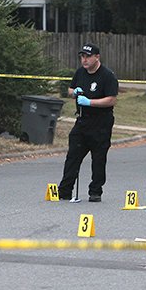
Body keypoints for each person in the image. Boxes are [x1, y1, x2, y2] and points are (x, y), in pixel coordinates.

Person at [58, 43, 118, 202]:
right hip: (82, 121)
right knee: (73, 156)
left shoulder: (107, 75)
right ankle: (64, 190)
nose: (84, 60)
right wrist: (74, 93)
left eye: (88, 57)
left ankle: (95, 191)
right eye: (82, 57)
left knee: (98, 159)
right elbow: (70, 90)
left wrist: (90, 102)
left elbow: (111, 100)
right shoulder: (80, 73)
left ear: (97, 57)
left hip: (101, 123)